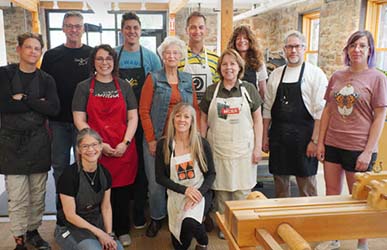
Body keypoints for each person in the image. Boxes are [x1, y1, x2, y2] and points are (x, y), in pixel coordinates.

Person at [315, 30, 387, 250]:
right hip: (333, 144)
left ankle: (361, 242)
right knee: (332, 194)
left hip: (359, 148)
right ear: (347, 50)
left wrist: (368, 151)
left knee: (360, 198)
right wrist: (320, 142)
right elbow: (327, 110)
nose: (357, 50)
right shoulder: (337, 76)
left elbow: (380, 116)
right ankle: (334, 236)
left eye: (362, 46)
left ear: (369, 50)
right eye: (353, 46)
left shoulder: (377, 78)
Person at [72, 44, 138, 247]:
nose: (104, 63)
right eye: (99, 59)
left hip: (122, 147)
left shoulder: (124, 86)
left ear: (114, 62)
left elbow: (133, 117)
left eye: (108, 58)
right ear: (93, 62)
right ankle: (99, 231)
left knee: (121, 192)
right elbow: (79, 119)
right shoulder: (83, 87)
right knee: (97, 191)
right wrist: (99, 144)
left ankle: (122, 229)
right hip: (95, 149)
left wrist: (125, 143)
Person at [0, 32, 60, 250]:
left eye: (37, 48)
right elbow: (4, 105)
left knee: (38, 194)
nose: (33, 52)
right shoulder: (4, 74)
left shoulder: (46, 79)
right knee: (17, 197)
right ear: (19, 49)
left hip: (39, 143)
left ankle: (33, 231)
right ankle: (18, 239)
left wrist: (24, 98)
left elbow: (53, 109)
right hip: (11, 143)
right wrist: (38, 103)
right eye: (28, 47)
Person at [139, 36, 200, 238]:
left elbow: (195, 110)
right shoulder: (153, 78)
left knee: (182, 180)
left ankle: (183, 217)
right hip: (157, 139)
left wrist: (196, 136)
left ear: (181, 56)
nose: (171, 56)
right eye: (168, 53)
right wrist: (151, 139)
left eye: (175, 53)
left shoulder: (186, 79)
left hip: (182, 141)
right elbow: (144, 110)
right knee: (156, 184)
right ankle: (157, 218)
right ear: (162, 56)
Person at [200, 48, 263, 239]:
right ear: (220, 68)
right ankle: (224, 225)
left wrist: (258, 147)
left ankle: (241, 226)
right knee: (221, 192)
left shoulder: (249, 89)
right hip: (218, 149)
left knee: (242, 191)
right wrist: (202, 147)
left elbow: (258, 120)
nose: (229, 68)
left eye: (232, 64)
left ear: (239, 67)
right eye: (225, 64)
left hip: (244, 151)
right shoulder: (212, 91)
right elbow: (203, 119)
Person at [262, 30, 328, 198]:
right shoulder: (276, 75)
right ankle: (281, 220)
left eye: (297, 46)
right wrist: (264, 137)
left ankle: (310, 222)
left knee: (307, 189)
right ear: (284, 49)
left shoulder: (315, 74)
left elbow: (320, 112)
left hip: (305, 140)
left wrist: (314, 141)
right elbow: (268, 109)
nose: (293, 51)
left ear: (304, 48)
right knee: (280, 188)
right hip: (279, 139)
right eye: (289, 47)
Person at [116, 12, 162, 229]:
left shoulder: (151, 57)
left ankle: (139, 210)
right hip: (118, 120)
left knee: (143, 167)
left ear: (140, 31)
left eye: (135, 27)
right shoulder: (114, 55)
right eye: (127, 28)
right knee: (121, 164)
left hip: (143, 119)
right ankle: (120, 211)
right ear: (122, 30)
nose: (131, 31)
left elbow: (158, 88)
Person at [41, 11, 93, 186]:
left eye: (77, 26)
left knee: (85, 165)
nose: (73, 30)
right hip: (58, 122)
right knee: (60, 167)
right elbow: (43, 87)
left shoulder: (91, 54)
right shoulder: (51, 56)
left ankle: (83, 208)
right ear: (63, 28)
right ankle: (62, 209)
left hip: (85, 122)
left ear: (83, 29)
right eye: (69, 26)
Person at [155, 103, 215, 250]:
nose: (182, 120)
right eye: (178, 115)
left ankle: (203, 241)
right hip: (177, 194)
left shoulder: (201, 143)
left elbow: (211, 174)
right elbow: (160, 178)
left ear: (192, 121)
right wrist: (185, 190)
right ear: (172, 119)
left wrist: (198, 194)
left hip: (200, 192)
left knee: (189, 222)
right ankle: (198, 224)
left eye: (186, 116)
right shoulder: (164, 144)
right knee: (180, 245)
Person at [55, 128, 124, 250]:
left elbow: (106, 207)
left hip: (95, 224)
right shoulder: (68, 176)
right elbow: (70, 215)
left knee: (117, 248)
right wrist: (100, 234)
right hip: (70, 228)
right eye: (85, 146)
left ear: (101, 146)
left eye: (94, 145)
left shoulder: (105, 174)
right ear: (78, 149)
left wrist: (109, 235)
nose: (91, 150)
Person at [178, 11, 220, 102]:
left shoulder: (215, 58)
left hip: (208, 110)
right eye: (193, 27)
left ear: (206, 30)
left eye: (201, 27)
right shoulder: (178, 56)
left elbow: (218, 87)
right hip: (184, 112)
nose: (197, 31)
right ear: (187, 30)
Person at [227, 25, 268, 100]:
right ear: (234, 42)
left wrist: (259, 108)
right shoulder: (229, 62)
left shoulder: (259, 63)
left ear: (250, 41)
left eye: (245, 38)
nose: (242, 41)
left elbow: (262, 91)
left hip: (252, 107)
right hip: (232, 106)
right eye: (238, 38)